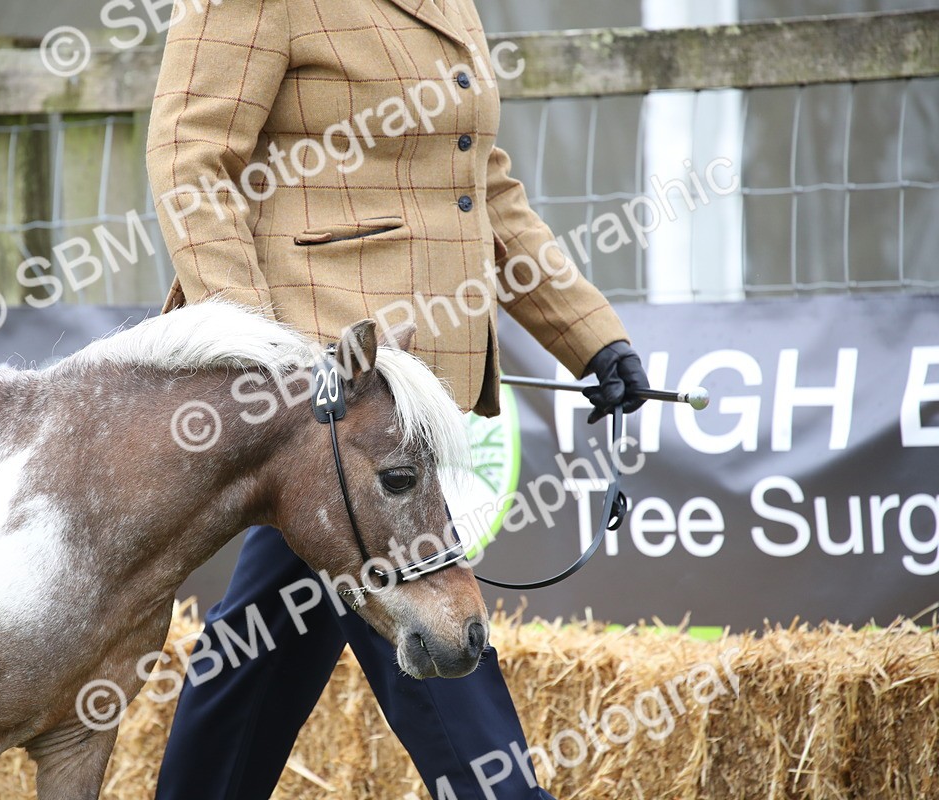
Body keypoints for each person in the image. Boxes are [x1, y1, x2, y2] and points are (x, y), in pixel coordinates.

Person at [145, 1, 650, 797]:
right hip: (325, 388)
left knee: (260, 653)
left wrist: (591, 337)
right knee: (431, 629)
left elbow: (479, 185)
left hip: (407, 398)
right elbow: (190, 159)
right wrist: (261, 352)